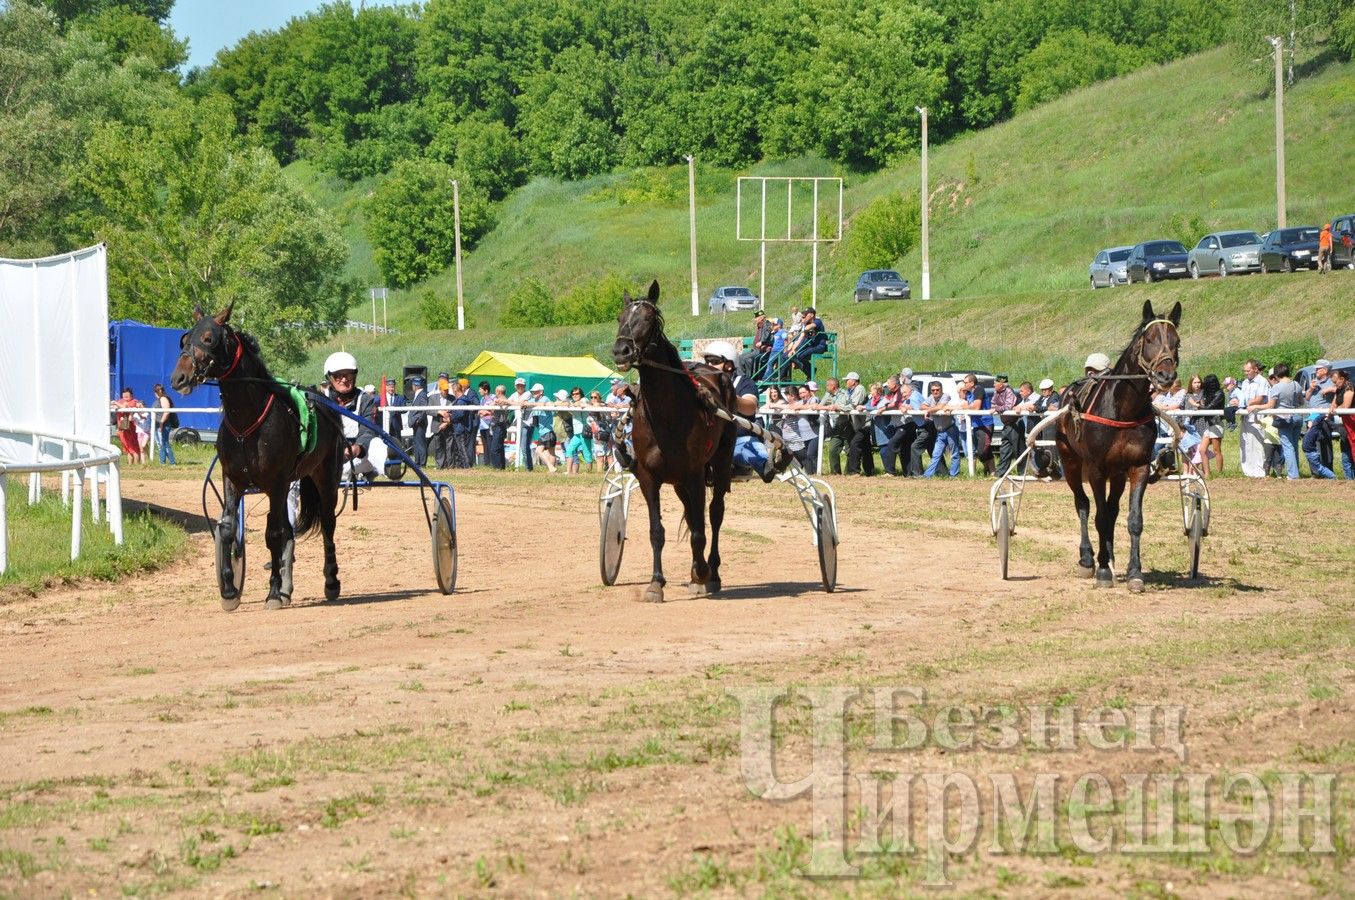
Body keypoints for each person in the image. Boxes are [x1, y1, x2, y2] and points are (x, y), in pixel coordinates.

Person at [704, 341, 781, 482]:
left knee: (749, 444)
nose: (708, 366)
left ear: (729, 365)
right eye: (707, 362)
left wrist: (728, 396)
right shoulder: (702, 386)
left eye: (714, 362)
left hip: (737, 442)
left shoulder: (744, 383)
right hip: (710, 444)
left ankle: (766, 466)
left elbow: (751, 406)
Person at [319, 351, 389, 482]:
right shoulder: (321, 400)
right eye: (338, 376)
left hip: (358, 457)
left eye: (349, 375)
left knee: (376, 443)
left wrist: (359, 447)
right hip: (326, 458)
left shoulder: (366, 400)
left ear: (355, 377)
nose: (344, 380)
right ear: (329, 378)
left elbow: (368, 430)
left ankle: (389, 467)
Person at [955, 373, 994, 476]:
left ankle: (991, 470)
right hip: (976, 425)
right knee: (983, 451)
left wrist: (966, 407)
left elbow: (976, 407)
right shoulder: (969, 393)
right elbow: (964, 404)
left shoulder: (978, 389)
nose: (964, 384)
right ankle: (991, 471)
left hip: (985, 424)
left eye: (966, 382)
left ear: (972, 383)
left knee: (983, 451)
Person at [1237, 359, 1270, 478]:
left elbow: (1260, 398)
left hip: (1257, 417)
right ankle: (1248, 470)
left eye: (1248, 370)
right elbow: (1242, 397)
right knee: (1245, 444)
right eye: (1244, 371)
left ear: (1255, 369)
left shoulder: (1262, 381)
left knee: (1257, 445)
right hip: (1246, 417)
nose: (1246, 373)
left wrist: (1245, 402)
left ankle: (1259, 471)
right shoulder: (1245, 382)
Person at [922, 381, 960, 478]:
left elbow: (941, 406)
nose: (935, 392)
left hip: (950, 429)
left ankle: (954, 475)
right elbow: (921, 406)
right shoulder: (931, 397)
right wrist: (930, 409)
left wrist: (929, 410)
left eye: (937, 390)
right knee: (936, 454)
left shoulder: (945, 396)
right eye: (933, 390)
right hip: (940, 431)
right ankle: (928, 475)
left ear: (941, 389)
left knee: (954, 453)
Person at [842, 372, 875, 476]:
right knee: (865, 447)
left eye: (847, 380)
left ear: (853, 381)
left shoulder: (859, 388)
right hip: (859, 425)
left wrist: (840, 407)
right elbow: (843, 403)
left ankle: (854, 471)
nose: (846, 382)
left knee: (854, 444)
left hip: (865, 424)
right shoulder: (849, 391)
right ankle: (870, 471)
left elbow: (853, 404)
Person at [1327, 367, 1355, 479]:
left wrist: (1336, 408)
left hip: (1353, 420)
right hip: (1347, 422)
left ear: (1342, 379)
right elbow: (1333, 404)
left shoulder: (1350, 387)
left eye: (1335, 382)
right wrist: (1333, 408)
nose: (1334, 385)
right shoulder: (1339, 389)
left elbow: (1346, 406)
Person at [990, 374, 1020, 476]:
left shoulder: (1009, 392)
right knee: (1004, 450)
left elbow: (1008, 406)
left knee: (1018, 450)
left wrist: (997, 409)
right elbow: (992, 404)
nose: (993, 384)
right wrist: (997, 408)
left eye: (995, 382)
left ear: (1002, 384)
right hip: (1006, 425)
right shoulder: (996, 392)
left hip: (1015, 425)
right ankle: (1000, 473)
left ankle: (1022, 473)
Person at [562, 386, 595, 474]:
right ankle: (568, 472)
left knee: (586, 452)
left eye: (577, 393)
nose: (575, 395)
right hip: (576, 432)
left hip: (585, 431)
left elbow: (579, 404)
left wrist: (569, 404)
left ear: (581, 394)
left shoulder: (584, 399)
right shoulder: (572, 402)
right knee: (569, 450)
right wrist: (566, 403)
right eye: (573, 394)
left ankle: (589, 472)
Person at [822, 377, 849, 475]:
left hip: (847, 425)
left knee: (849, 451)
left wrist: (833, 407)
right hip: (836, 427)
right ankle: (835, 473)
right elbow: (821, 404)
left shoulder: (844, 393)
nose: (826, 387)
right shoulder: (828, 394)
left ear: (833, 386)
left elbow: (842, 405)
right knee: (833, 449)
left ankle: (849, 472)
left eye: (827, 385)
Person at [111, 387, 144, 464]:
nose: (125, 398)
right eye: (124, 396)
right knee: (128, 449)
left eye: (127, 397)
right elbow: (116, 406)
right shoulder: (120, 401)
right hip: (122, 429)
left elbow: (125, 407)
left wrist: (116, 403)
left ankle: (136, 465)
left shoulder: (134, 401)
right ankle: (130, 465)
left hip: (130, 429)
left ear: (131, 396)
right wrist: (116, 404)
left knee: (134, 448)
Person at [739, 310, 773, 379]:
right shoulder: (760, 326)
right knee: (740, 357)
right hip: (755, 349)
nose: (755, 320)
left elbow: (767, 335)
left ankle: (749, 378)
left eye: (756, 318)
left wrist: (762, 342)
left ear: (761, 318)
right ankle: (742, 377)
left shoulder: (766, 324)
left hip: (761, 350)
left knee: (747, 358)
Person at [151, 383, 177, 465]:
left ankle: (171, 462)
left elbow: (166, 412)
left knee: (165, 444)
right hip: (157, 425)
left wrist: (161, 424)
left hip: (163, 426)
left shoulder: (163, 399)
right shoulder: (158, 400)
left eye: (159, 390)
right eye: (157, 390)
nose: (158, 391)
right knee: (161, 444)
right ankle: (163, 462)